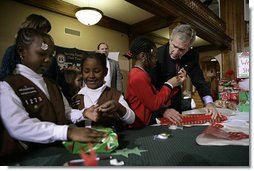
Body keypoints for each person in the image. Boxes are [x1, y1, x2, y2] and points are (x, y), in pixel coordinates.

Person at [0, 28, 105, 159]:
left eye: (50, 55)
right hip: (27, 157)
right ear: (22, 52)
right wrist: (67, 131)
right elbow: (19, 126)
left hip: (57, 152)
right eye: (42, 54)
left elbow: (65, 112)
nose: (48, 60)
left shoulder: (53, 85)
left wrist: (83, 113)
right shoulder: (7, 86)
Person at [149, 24, 218, 118]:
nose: (176, 52)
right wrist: (163, 109)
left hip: (176, 106)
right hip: (156, 108)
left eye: (182, 49)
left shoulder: (192, 56)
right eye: (174, 46)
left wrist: (209, 103)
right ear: (170, 40)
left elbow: (199, 81)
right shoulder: (157, 56)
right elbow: (150, 88)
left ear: (189, 47)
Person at [124, 36, 186, 128]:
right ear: (143, 56)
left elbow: (157, 96)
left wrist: (176, 83)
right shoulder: (137, 75)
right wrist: (169, 85)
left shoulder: (142, 73)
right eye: (154, 56)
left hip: (145, 121)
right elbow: (154, 104)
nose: (156, 60)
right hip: (140, 125)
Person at [72, 52, 135, 131]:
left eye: (97, 71)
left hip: (110, 142)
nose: (91, 76)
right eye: (86, 71)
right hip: (82, 142)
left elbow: (131, 119)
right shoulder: (76, 97)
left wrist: (118, 107)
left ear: (105, 72)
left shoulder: (114, 95)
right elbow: (69, 118)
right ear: (82, 72)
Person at [0, 14, 52, 80]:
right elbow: (4, 77)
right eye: (42, 32)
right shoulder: (12, 51)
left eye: (46, 33)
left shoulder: (48, 55)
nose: (44, 37)